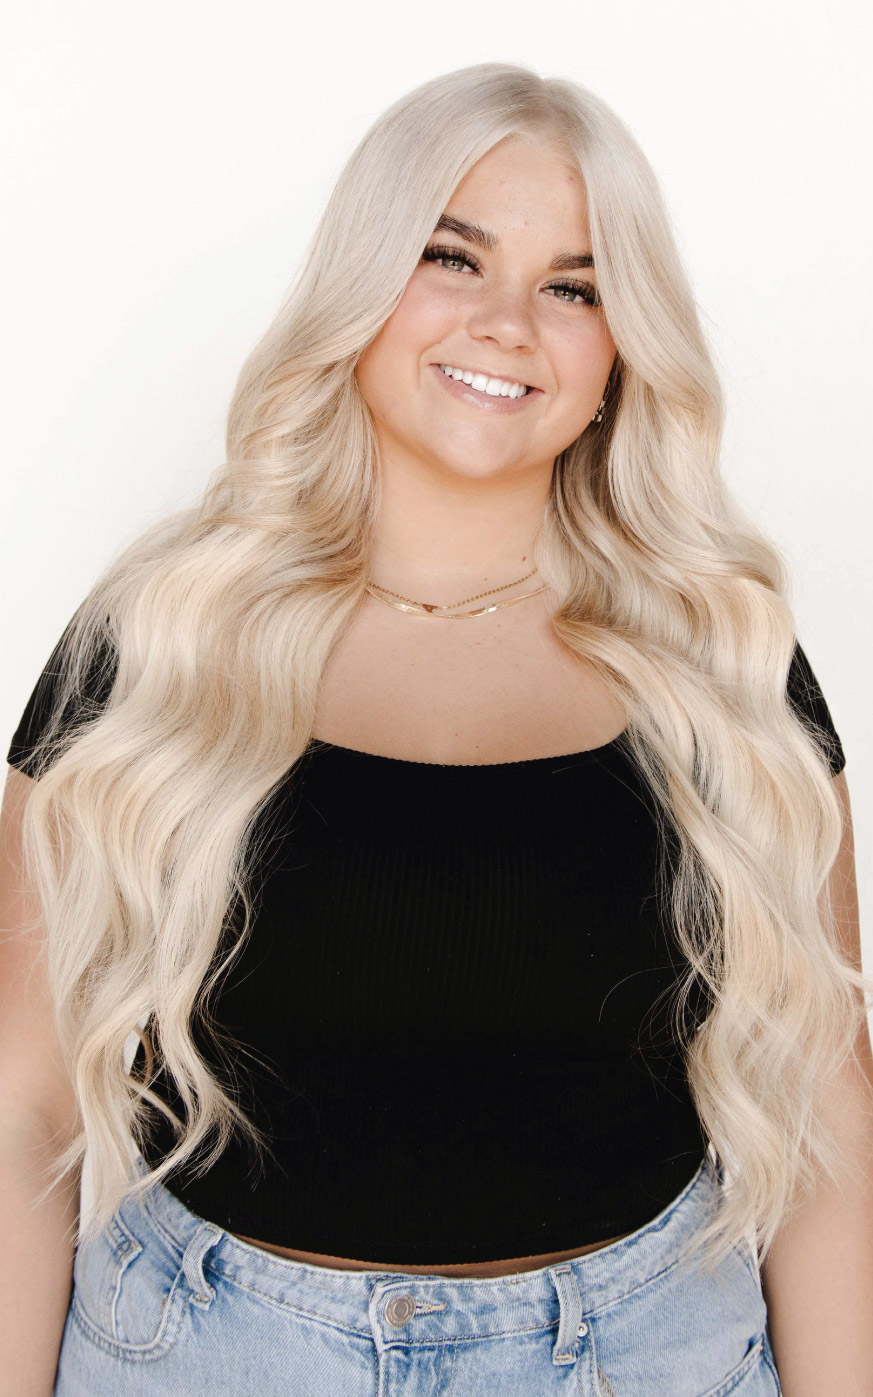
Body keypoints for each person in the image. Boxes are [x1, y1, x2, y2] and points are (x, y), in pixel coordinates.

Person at [2, 61, 870, 1397]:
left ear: (621, 348)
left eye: (574, 286)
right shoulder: (160, 640)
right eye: (451, 257)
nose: (507, 323)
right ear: (359, 286)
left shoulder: (727, 664)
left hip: (644, 1359)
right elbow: (23, 1100)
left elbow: (827, 1116)